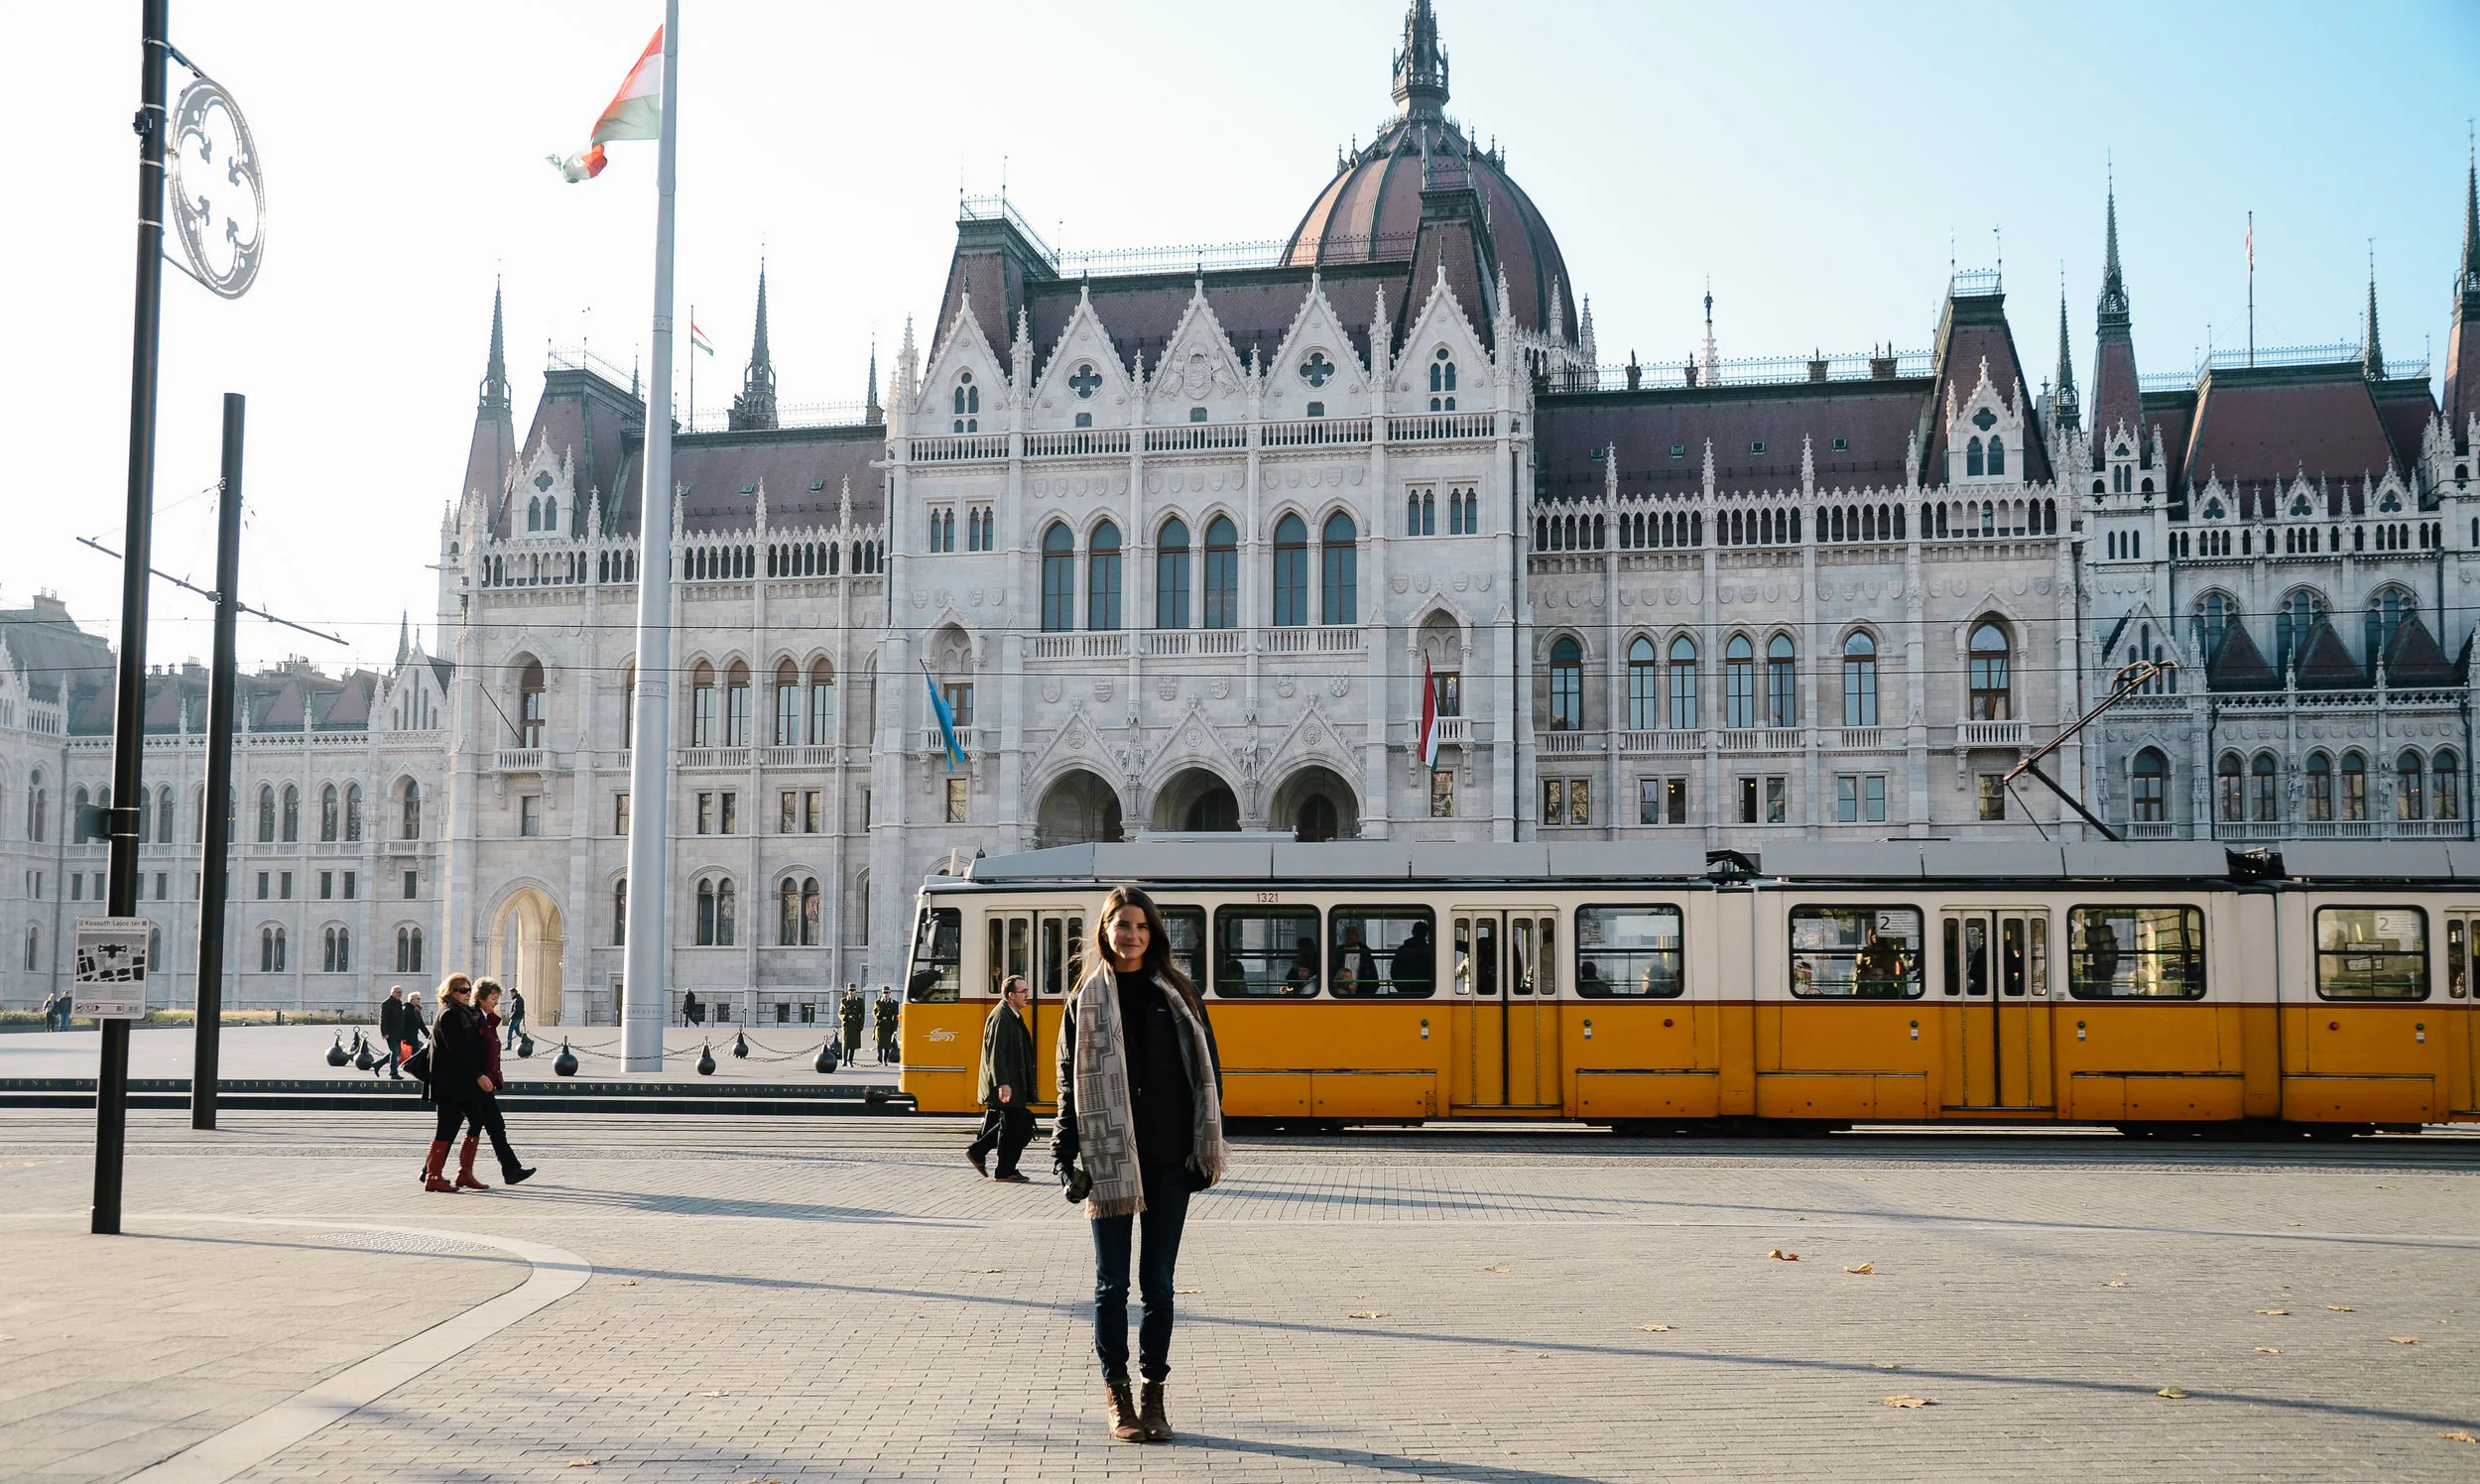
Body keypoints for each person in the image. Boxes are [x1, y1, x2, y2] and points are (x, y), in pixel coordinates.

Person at [1054, 884, 1229, 1445]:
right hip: (1109, 1160)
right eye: (1121, 925)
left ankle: (1154, 1394)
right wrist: (1064, 1152)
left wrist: (1206, 1147)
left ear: (1153, 935)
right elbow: (1066, 1082)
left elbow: (1209, 1077)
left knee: (1158, 1283)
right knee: (1110, 1286)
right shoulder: (1084, 998)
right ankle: (1117, 1393)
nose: (1131, 936)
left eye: (1141, 927)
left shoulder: (1177, 993)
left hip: (1169, 1159)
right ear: (1104, 931)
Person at [452, 979, 537, 1189]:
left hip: (484, 1082)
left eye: (497, 999)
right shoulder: (472, 1018)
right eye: (493, 998)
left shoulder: (484, 1018)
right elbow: (468, 1051)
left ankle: (510, 1170)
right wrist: (479, 1075)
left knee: (495, 1126)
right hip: (474, 1082)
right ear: (480, 998)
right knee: (453, 1125)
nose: (496, 1003)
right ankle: (431, 1170)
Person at [967, 975, 1037, 1181]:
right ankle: (1004, 1170)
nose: (1027, 995)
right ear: (1011, 995)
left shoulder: (1012, 1015)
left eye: (1027, 991)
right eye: (1023, 992)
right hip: (1007, 1083)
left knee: (1015, 1124)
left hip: (1014, 1081)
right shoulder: (1001, 1017)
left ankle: (980, 1152)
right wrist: (1002, 1083)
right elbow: (996, 1053)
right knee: (1018, 1125)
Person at [418, 975, 480, 1190]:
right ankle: (433, 1176)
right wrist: (477, 1075)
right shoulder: (450, 1015)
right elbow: (457, 1051)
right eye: (463, 990)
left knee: (470, 1121)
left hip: (456, 1082)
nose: (468, 993)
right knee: (447, 1127)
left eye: (469, 989)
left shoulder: (461, 1014)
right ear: (451, 992)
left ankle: (458, 1173)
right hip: (449, 1083)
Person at [1390, 920, 1434, 997]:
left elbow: (1394, 971)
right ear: (1426, 934)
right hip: (1425, 989)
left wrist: (1401, 987)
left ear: (1413, 932)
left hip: (1405, 990)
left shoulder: (1402, 949)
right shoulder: (1430, 950)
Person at [378, 986, 407, 1078]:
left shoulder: (399, 1003)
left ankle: (377, 1064)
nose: (399, 994)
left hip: (398, 1032)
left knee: (396, 1051)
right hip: (390, 1032)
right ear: (392, 993)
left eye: (401, 992)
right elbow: (382, 1019)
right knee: (394, 1051)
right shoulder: (386, 1003)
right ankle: (393, 1072)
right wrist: (384, 1033)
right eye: (397, 992)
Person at [840, 983, 867, 1064]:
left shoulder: (860, 1001)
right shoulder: (844, 1000)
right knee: (845, 1043)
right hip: (847, 1024)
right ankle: (844, 1060)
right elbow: (840, 1012)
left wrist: (861, 1026)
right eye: (850, 991)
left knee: (853, 1044)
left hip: (855, 1024)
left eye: (853, 990)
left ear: (856, 991)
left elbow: (862, 1015)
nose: (851, 992)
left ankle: (850, 1060)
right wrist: (844, 1017)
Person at [875, 987, 901, 1063]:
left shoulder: (894, 1003)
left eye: (887, 993)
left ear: (890, 993)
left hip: (888, 1025)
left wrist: (895, 1029)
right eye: (884, 993)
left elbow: (895, 1017)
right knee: (879, 1042)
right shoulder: (878, 1002)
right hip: (880, 1025)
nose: (885, 995)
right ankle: (880, 1056)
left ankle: (885, 1059)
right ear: (882, 993)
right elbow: (874, 1012)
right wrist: (877, 1015)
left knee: (887, 1044)